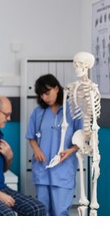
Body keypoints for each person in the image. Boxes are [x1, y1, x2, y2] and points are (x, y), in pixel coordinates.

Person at [26, 74, 82, 216]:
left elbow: (82, 138)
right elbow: (31, 136)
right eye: (41, 95)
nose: (45, 97)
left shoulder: (73, 110)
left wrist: (71, 150)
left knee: (60, 213)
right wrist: (36, 148)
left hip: (63, 170)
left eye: (47, 92)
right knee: (43, 212)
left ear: (57, 88)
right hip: (42, 169)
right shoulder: (38, 112)